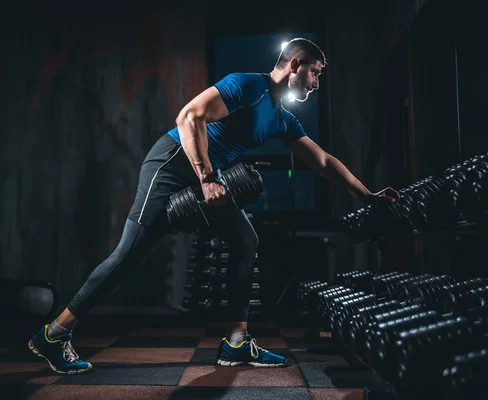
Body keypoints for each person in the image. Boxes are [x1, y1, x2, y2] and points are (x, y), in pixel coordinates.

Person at [28, 37, 399, 374]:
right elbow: (189, 117)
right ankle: (54, 333)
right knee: (129, 254)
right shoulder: (247, 85)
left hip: (208, 178)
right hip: (172, 164)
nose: (316, 83)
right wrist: (207, 178)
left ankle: (236, 343)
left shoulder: (282, 119)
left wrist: (366, 195)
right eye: (315, 73)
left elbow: (322, 162)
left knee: (245, 241)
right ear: (295, 64)